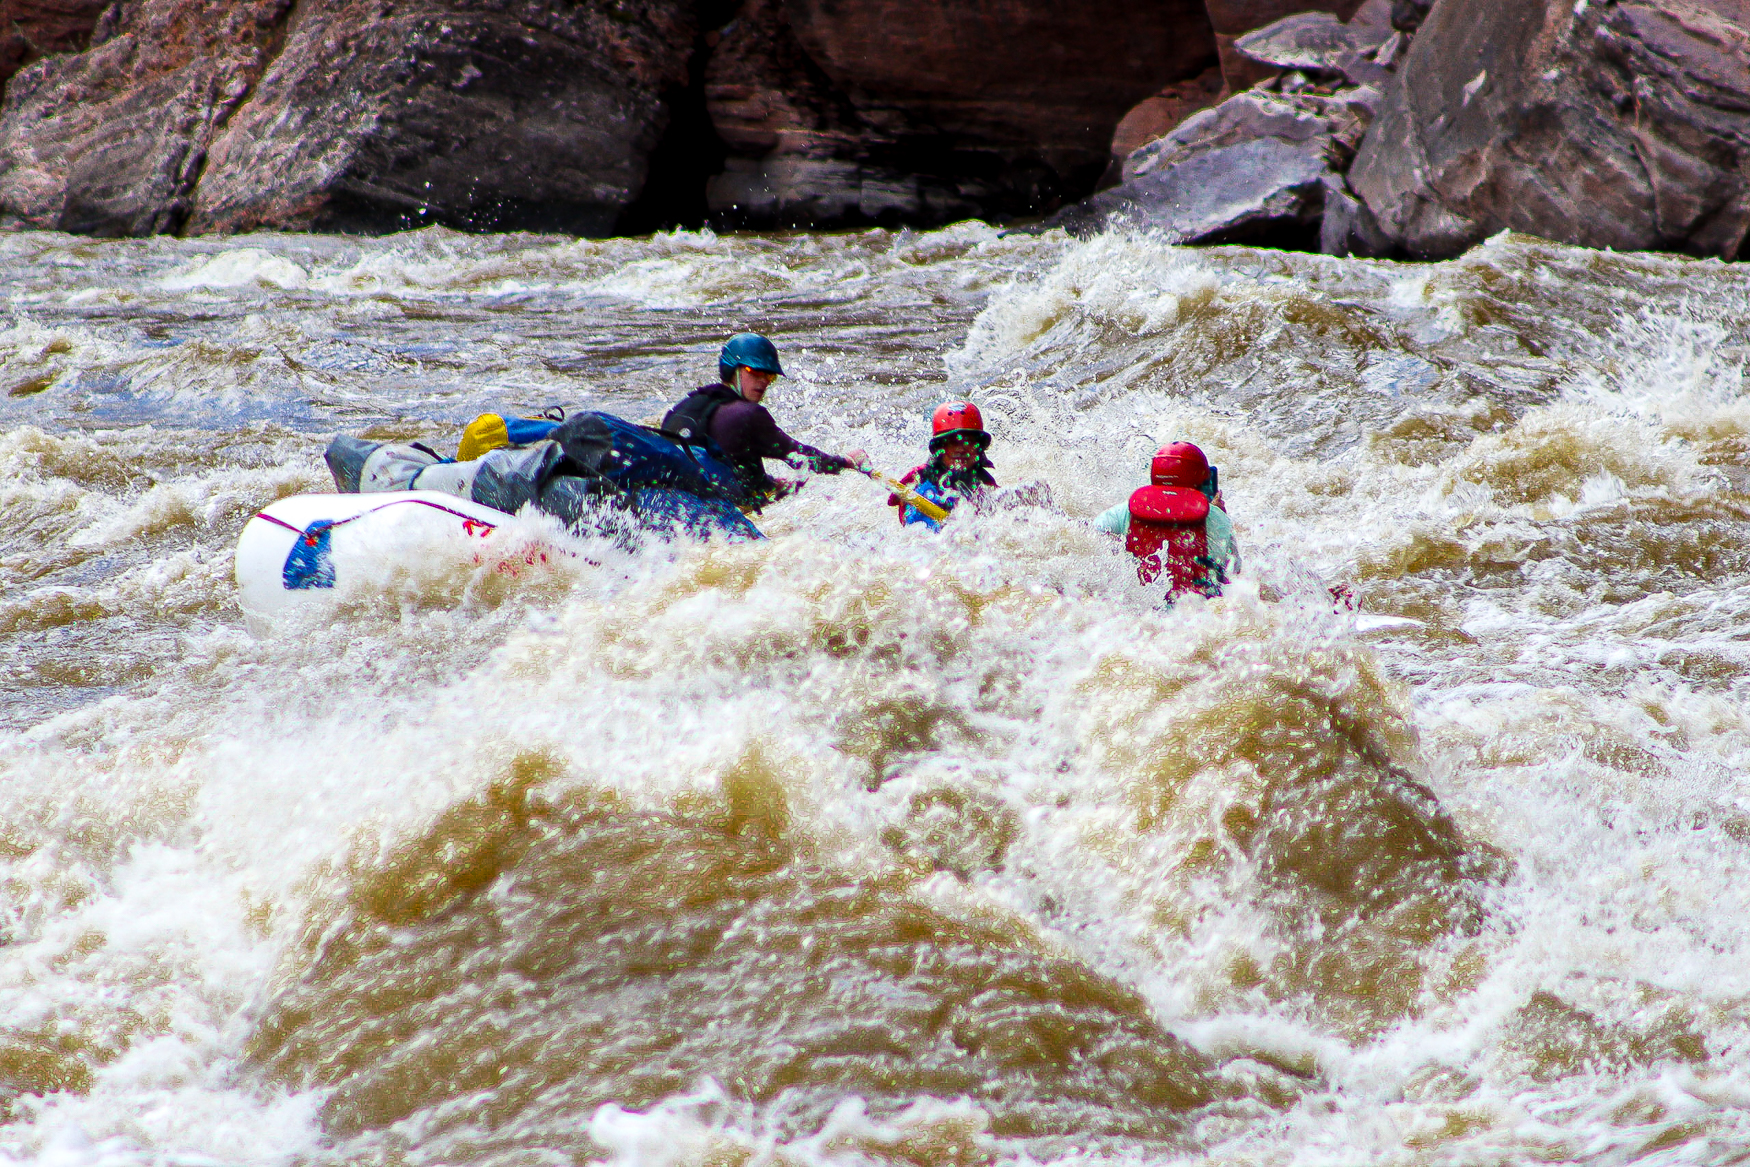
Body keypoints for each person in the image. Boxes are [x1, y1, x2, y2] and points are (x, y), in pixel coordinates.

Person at [662, 333, 867, 504]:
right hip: (719, 514)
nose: (763, 382)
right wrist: (847, 462)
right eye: (755, 371)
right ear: (732, 369)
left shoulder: (682, 408)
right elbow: (801, 457)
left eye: (770, 376)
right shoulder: (748, 415)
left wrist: (771, 484)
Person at [1094, 441, 1239, 601]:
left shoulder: (1124, 512)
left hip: (1140, 603)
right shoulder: (1218, 519)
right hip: (1193, 610)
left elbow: (1092, 537)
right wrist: (1218, 512)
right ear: (1202, 481)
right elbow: (1234, 571)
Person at [887, 401, 997, 529]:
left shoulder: (983, 482)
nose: (961, 449)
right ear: (939, 448)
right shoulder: (922, 482)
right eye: (952, 442)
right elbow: (914, 530)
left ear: (979, 448)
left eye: (969, 441)